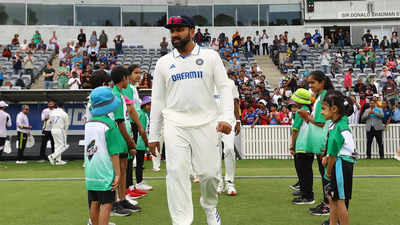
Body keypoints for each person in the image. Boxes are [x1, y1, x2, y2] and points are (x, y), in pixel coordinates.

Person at [149, 15, 234, 225]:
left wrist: (226, 117)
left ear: (192, 31)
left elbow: (224, 88)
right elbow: (158, 100)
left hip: (207, 122)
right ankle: (181, 221)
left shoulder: (210, 57)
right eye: (172, 30)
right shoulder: (163, 63)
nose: (175, 34)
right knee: (176, 173)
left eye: (179, 29)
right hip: (175, 124)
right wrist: (154, 134)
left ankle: (209, 206)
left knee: (209, 175)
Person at [84, 87, 123, 225]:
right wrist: (117, 174)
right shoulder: (110, 125)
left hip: (90, 171)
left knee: (94, 202)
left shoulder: (88, 123)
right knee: (106, 204)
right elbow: (114, 152)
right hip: (104, 171)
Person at [297, 70, 334, 215]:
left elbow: (319, 121)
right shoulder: (321, 96)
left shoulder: (324, 96)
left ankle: (328, 205)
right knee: (324, 173)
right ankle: (327, 203)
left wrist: (306, 116)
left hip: (323, 141)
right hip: (321, 140)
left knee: (326, 174)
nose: (310, 85)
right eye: (309, 82)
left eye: (313, 82)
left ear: (322, 82)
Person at [110, 66, 143, 214]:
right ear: (124, 78)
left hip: (122, 137)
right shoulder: (116, 95)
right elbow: (119, 122)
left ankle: (122, 199)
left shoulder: (122, 94)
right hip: (117, 136)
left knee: (123, 168)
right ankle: (114, 202)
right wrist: (130, 141)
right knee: (116, 171)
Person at [321, 90, 356, 225]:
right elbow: (335, 149)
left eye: (323, 109)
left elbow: (335, 154)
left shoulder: (338, 126)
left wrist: (329, 172)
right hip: (340, 162)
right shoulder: (337, 123)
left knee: (340, 200)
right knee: (332, 198)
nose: (321, 112)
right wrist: (328, 155)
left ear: (334, 109)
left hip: (340, 164)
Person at [215, 64, 241, 196]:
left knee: (229, 149)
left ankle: (230, 183)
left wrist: (238, 120)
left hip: (229, 120)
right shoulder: (208, 82)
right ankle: (219, 183)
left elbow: (235, 102)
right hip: (213, 121)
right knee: (215, 152)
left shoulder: (230, 83)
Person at [289, 88, 314, 204]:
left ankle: (307, 196)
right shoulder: (308, 110)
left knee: (303, 172)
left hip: (302, 145)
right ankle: (306, 193)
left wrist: (292, 146)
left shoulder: (301, 112)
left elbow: (295, 130)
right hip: (309, 145)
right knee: (306, 171)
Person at [134, 96, 153, 192]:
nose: (150, 106)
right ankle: (139, 183)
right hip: (139, 143)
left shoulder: (143, 114)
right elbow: (141, 130)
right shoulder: (142, 114)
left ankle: (140, 181)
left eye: (151, 104)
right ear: (144, 105)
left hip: (140, 142)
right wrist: (146, 143)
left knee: (140, 164)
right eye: (148, 104)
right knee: (139, 164)